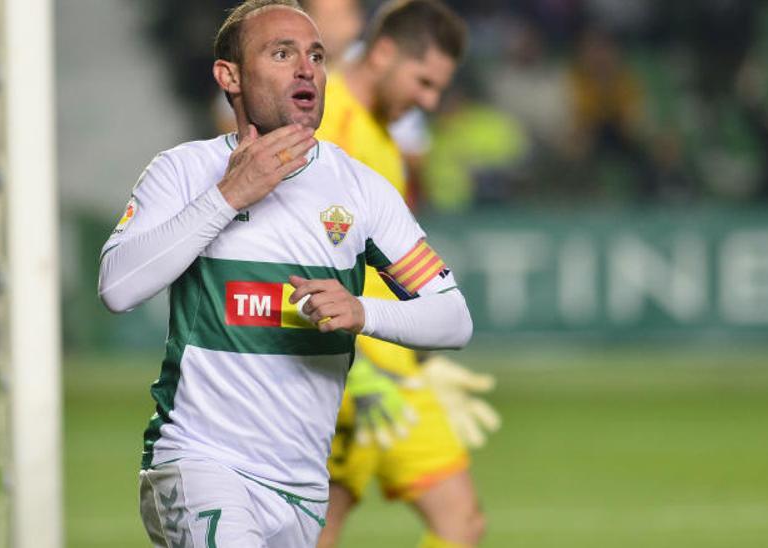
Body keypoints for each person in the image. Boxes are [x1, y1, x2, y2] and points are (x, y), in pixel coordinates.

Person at [97, 1, 474, 546]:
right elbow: (117, 287)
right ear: (230, 76)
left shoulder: (361, 189)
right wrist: (229, 196)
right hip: (202, 464)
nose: (307, 69)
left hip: (301, 488)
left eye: (316, 56)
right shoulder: (184, 171)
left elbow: (453, 317)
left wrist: (363, 310)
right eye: (282, 53)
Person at [312, 2, 497, 547]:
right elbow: (294, 255)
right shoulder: (329, 122)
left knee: (461, 524)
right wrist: (359, 370)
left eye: (438, 89)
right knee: (317, 529)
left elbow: (382, 267)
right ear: (385, 52)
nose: (429, 101)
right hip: (347, 372)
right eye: (423, 82)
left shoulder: (382, 140)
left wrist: (416, 357)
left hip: (394, 370)